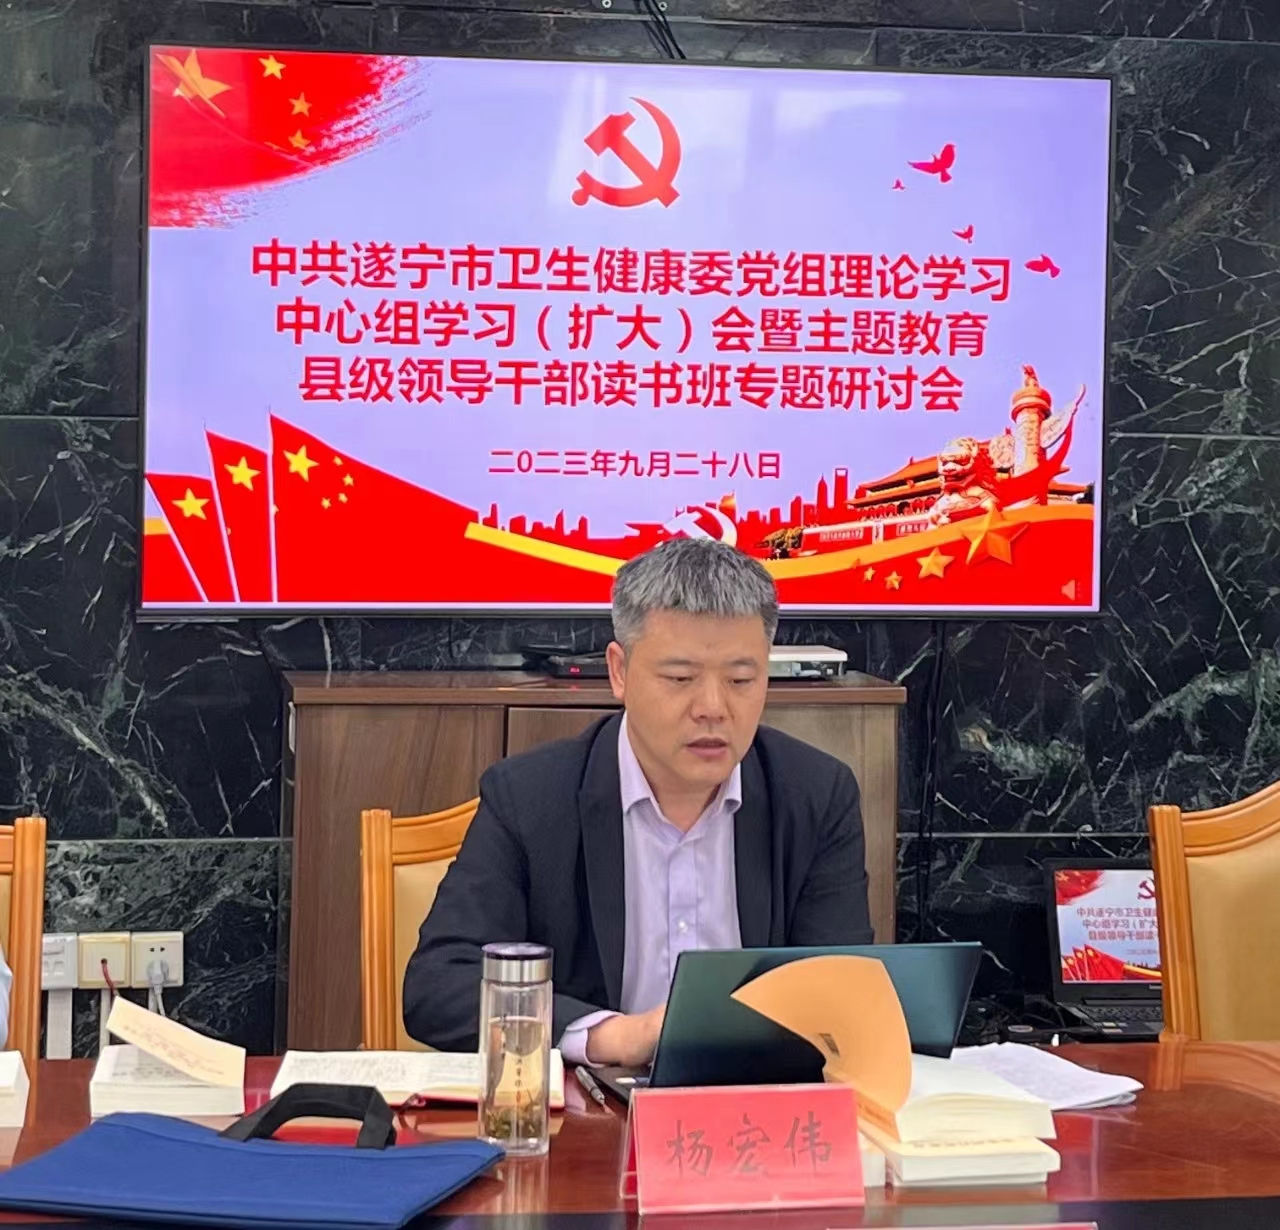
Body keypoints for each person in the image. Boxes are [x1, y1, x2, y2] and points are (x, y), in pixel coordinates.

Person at [403, 538, 872, 1065]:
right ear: (619, 671)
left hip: (755, 1099)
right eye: (680, 678)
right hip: (591, 1104)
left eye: (741, 679)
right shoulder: (532, 799)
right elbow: (439, 985)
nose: (713, 707)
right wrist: (611, 1036)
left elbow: (844, 994)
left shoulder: (815, 795)